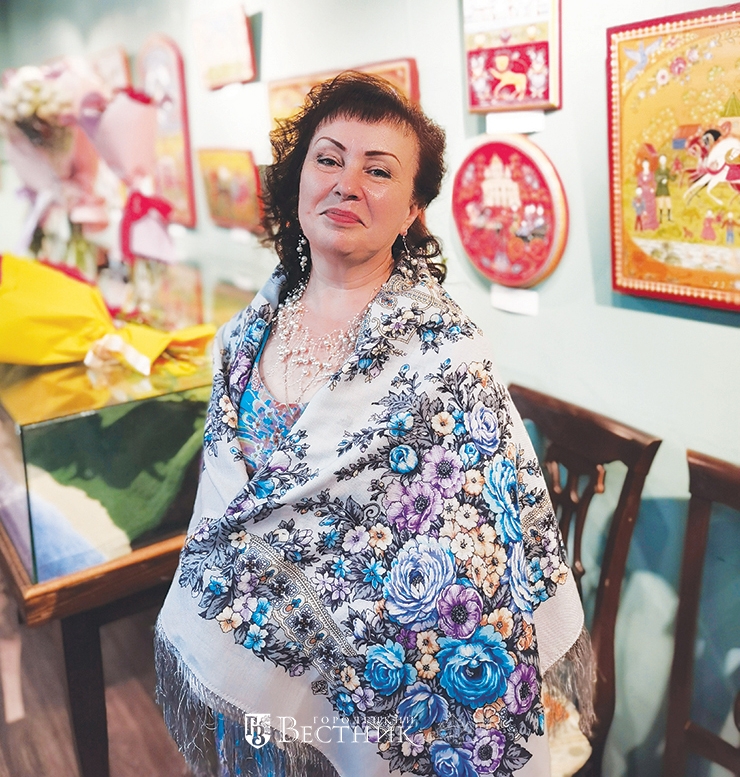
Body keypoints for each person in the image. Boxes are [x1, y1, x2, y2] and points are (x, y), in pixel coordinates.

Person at [155, 72, 591, 777]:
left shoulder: (445, 357)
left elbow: (474, 571)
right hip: (253, 684)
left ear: (414, 208)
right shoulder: (242, 336)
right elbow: (228, 513)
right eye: (328, 159)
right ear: (298, 180)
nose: (346, 184)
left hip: (384, 701)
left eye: (378, 170)